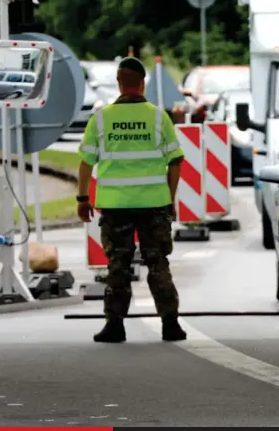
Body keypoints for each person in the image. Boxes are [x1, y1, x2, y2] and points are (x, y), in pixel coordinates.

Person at [76, 57, 187, 344]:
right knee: (158, 261)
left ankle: (115, 325)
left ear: (119, 83)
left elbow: (86, 163)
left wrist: (83, 198)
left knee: (117, 264)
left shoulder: (100, 119)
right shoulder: (157, 117)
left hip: (115, 207)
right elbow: (175, 160)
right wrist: (170, 198)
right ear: (142, 84)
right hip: (154, 203)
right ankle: (170, 324)